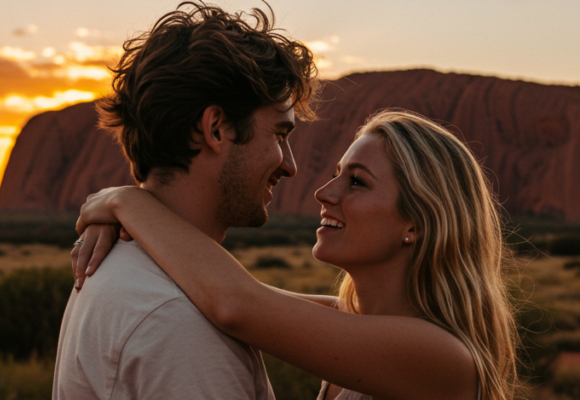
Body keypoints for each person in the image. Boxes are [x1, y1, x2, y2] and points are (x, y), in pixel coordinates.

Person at [73, 110, 519, 400]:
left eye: (357, 182)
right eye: (336, 175)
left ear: (416, 223)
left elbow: (236, 303)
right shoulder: (352, 322)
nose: (324, 193)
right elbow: (223, 293)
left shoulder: (442, 357)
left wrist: (129, 203)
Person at [51, 1, 319, 399]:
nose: (292, 166)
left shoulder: (128, 275)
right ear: (215, 129)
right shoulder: (178, 321)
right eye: (280, 135)